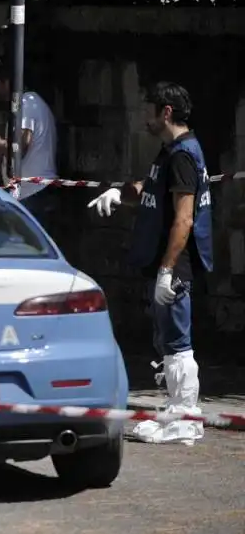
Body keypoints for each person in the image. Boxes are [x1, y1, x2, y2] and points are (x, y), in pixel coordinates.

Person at [87, 82, 212, 445]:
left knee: (177, 342)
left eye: (149, 110)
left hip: (175, 265)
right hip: (163, 263)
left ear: (166, 112)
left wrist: (169, 269)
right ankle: (175, 412)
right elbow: (152, 187)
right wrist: (119, 192)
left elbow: (184, 218)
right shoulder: (172, 151)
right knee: (167, 341)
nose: (144, 116)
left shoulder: (184, 154)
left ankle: (186, 419)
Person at [0, 55, 59, 232]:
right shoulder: (29, 103)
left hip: (33, 194)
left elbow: (19, 149)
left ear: (6, 82)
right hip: (31, 192)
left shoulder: (27, 104)